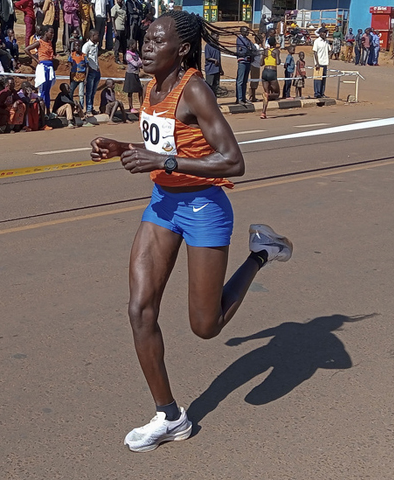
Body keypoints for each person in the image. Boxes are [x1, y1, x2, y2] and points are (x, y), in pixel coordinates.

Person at [89, 10, 293, 454]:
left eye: (155, 41)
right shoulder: (152, 86)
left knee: (206, 326)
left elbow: (233, 161)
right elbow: (167, 146)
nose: (145, 46)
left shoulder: (194, 89)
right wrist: (124, 148)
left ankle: (260, 252)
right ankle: (169, 416)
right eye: (144, 38)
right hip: (163, 204)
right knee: (140, 309)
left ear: (181, 49)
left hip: (204, 208)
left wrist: (163, 163)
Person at [25, 25, 55, 116]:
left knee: (47, 90)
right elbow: (27, 49)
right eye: (51, 33)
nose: (52, 35)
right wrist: (36, 59)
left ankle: (48, 112)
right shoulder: (39, 42)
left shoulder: (50, 43)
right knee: (42, 91)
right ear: (46, 33)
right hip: (43, 68)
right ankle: (40, 112)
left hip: (50, 67)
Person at [260, 35, 280, 119]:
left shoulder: (265, 51)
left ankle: (263, 112)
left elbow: (261, 63)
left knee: (266, 92)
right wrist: (275, 56)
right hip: (272, 72)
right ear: (275, 43)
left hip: (265, 71)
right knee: (277, 93)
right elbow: (278, 62)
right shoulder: (276, 51)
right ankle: (268, 96)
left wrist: (265, 55)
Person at [82, 28, 100, 115]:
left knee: (93, 91)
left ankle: (91, 107)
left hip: (96, 70)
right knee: (89, 92)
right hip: (90, 72)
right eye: (97, 35)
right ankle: (88, 110)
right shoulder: (86, 46)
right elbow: (84, 59)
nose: (99, 36)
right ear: (93, 36)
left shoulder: (96, 45)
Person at [124, 38, 143, 112]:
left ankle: (142, 106)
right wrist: (138, 62)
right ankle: (130, 107)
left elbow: (140, 62)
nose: (136, 46)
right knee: (130, 91)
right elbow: (136, 63)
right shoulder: (128, 54)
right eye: (135, 44)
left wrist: (138, 62)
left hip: (136, 74)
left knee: (140, 90)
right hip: (130, 74)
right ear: (131, 45)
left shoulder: (136, 53)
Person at [235, 25, 253, 104]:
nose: (247, 32)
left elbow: (252, 48)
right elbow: (244, 50)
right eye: (246, 31)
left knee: (245, 81)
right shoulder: (240, 39)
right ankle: (239, 98)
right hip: (242, 61)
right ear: (242, 31)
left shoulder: (248, 40)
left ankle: (243, 98)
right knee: (240, 81)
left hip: (248, 61)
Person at [312, 26, 330, 98]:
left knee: (323, 79)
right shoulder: (317, 41)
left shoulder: (327, 41)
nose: (325, 34)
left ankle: (322, 93)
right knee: (317, 79)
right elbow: (315, 53)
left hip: (325, 63)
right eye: (324, 33)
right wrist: (317, 63)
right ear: (320, 33)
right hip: (318, 64)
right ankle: (317, 93)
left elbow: (329, 50)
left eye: (326, 33)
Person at [68, 38, 86, 108]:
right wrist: (70, 77)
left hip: (82, 77)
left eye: (79, 46)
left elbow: (87, 67)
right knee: (71, 91)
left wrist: (86, 78)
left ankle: (81, 107)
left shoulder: (84, 56)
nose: (77, 47)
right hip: (74, 77)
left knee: (81, 93)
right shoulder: (72, 55)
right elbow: (70, 66)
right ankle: (71, 105)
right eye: (76, 46)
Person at [204, 32, 222, 96]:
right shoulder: (208, 46)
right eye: (216, 36)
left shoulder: (217, 46)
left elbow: (219, 58)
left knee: (216, 86)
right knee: (209, 86)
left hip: (217, 69)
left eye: (218, 36)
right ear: (212, 36)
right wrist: (214, 60)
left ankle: (215, 102)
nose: (218, 38)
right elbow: (207, 57)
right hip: (210, 69)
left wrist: (221, 69)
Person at [248, 35, 262, 102]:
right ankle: (252, 96)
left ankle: (252, 95)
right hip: (255, 65)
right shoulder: (256, 47)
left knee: (255, 81)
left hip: (256, 65)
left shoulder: (258, 47)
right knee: (254, 81)